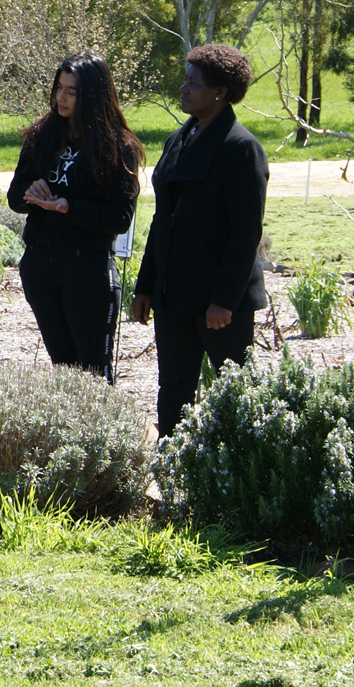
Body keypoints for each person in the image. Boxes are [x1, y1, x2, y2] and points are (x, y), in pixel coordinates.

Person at [129, 43, 270, 436]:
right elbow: (163, 219)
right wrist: (145, 288)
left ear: (220, 91)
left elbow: (246, 233)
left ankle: (234, 474)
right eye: (185, 80)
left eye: (194, 83)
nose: (183, 89)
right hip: (174, 296)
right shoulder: (181, 137)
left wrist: (224, 300)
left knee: (234, 395)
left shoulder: (241, 148)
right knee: (173, 390)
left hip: (220, 305)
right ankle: (172, 471)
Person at [8, 51, 142, 375]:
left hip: (88, 270)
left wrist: (69, 207)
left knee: (94, 373)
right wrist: (31, 194)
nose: (61, 97)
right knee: (64, 371)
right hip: (41, 266)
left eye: (71, 91)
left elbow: (120, 218)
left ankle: (101, 427)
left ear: (93, 96)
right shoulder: (42, 135)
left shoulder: (118, 146)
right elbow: (14, 196)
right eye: (59, 88)